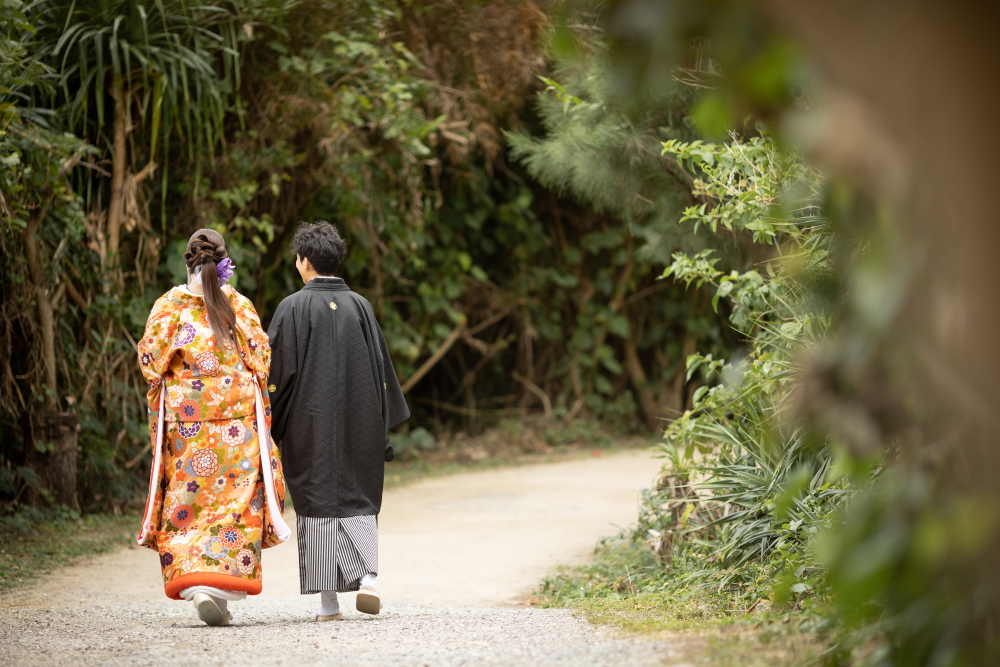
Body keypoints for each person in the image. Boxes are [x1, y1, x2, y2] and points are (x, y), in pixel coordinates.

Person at [136, 229, 290, 626]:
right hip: (237, 431)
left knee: (188, 508)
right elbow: (261, 359)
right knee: (234, 511)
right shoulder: (237, 304)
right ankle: (217, 594)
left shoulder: (169, 306)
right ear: (224, 263)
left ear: (187, 261)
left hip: (187, 430)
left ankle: (203, 591)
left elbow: (151, 362)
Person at [267, 221, 409, 621]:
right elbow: (382, 371)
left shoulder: (292, 307)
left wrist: (270, 423)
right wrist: (381, 422)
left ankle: (328, 604)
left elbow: (278, 376)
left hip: (309, 425)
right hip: (360, 419)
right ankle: (368, 579)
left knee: (316, 504)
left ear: (305, 261)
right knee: (359, 496)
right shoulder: (360, 306)